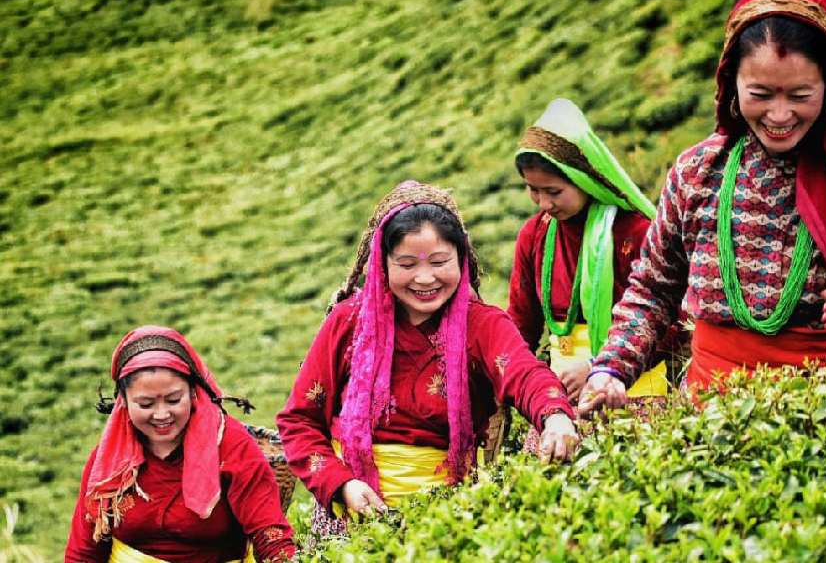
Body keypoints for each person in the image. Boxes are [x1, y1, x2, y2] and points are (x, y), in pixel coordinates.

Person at [578, 0, 826, 412]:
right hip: (712, 416)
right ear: (732, 85)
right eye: (760, 95)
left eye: (800, 95)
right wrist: (611, 369)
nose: (780, 115)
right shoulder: (697, 173)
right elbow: (654, 288)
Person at [277, 180, 579, 535]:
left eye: (439, 262)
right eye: (406, 264)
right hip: (350, 516)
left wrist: (556, 416)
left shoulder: (481, 324)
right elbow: (299, 419)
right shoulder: (348, 322)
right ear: (382, 265)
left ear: (461, 260)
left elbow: (524, 373)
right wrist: (341, 484)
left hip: (445, 517)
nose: (424, 278)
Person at [65, 326, 296, 562]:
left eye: (174, 400)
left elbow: (270, 532)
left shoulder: (230, 445)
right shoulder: (110, 461)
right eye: (145, 404)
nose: (161, 414)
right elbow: (84, 551)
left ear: (193, 392)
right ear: (123, 401)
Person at [508, 98, 673, 401]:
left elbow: (669, 324)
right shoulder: (535, 235)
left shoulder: (633, 232)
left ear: (584, 179)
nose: (544, 204)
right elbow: (521, 324)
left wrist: (598, 366)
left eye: (554, 191)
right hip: (563, 395)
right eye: (533, 190)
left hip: (635, 394)